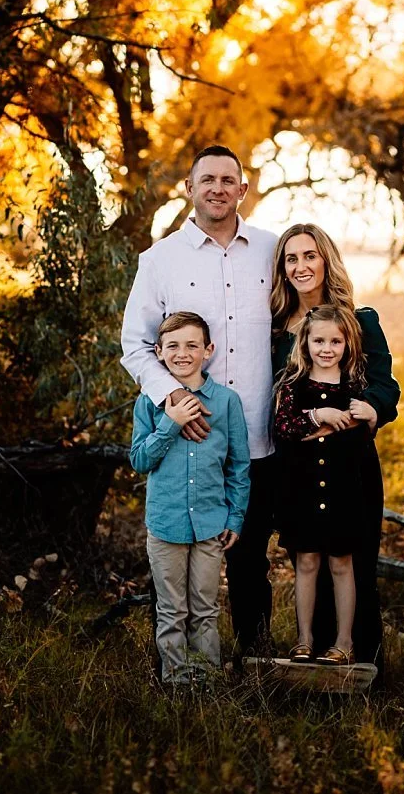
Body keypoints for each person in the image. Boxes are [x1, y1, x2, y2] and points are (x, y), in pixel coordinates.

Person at [119, 146, 281, 660]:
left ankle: (251, 660)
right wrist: (174, 399)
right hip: (183, 442)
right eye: (206, 179)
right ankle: (173, 667)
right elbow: (135, 345)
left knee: (250, 559)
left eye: (228, 179)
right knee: (176, 560)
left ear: (243, 189)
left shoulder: (271, 250)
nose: (217, 187)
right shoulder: (159, 259)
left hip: (258, 434)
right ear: (189, 189)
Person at [270, 223, 400, 667]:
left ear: (326, 260)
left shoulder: (358, 322)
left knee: (353, 566)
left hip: (351, 468)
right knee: (308, 564)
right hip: (299, 467)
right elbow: (277, 399)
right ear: (282, 269)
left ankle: (361, 667)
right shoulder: (279, 333)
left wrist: (371, 410)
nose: (301, 266)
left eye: (310, 255)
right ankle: (313, 665)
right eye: (291, 258)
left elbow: (385, 385)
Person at [129, 312, 251, 685]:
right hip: (166, 524)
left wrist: (235, 519)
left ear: (208, 350)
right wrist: (172, 422)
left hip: (211, 524)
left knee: (204, 606)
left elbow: (239, 465)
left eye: (192, 345)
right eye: (173, 346)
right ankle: (178, 679)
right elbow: (139, 460)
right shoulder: (149, 403)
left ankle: (207, 676)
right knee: (171, 608)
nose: (183, 354)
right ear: (159, 352)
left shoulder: (227, 402)